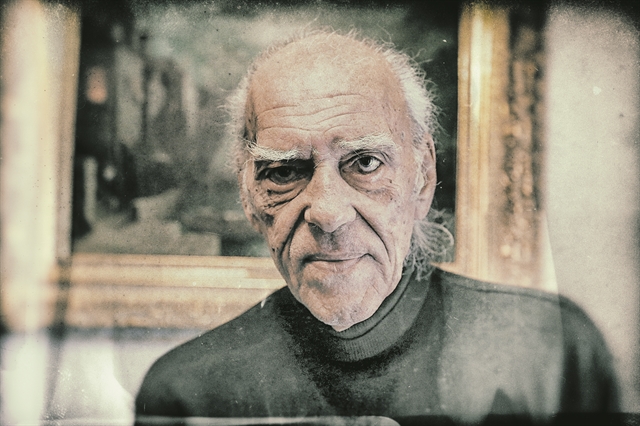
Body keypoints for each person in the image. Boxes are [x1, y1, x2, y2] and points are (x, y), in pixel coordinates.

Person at [135, 31, 619, 424]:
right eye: (284, 171)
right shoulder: (184, 395)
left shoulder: (554, 351)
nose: (328, 213)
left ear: (421, 177)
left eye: (365, 163)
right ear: (249, 197)